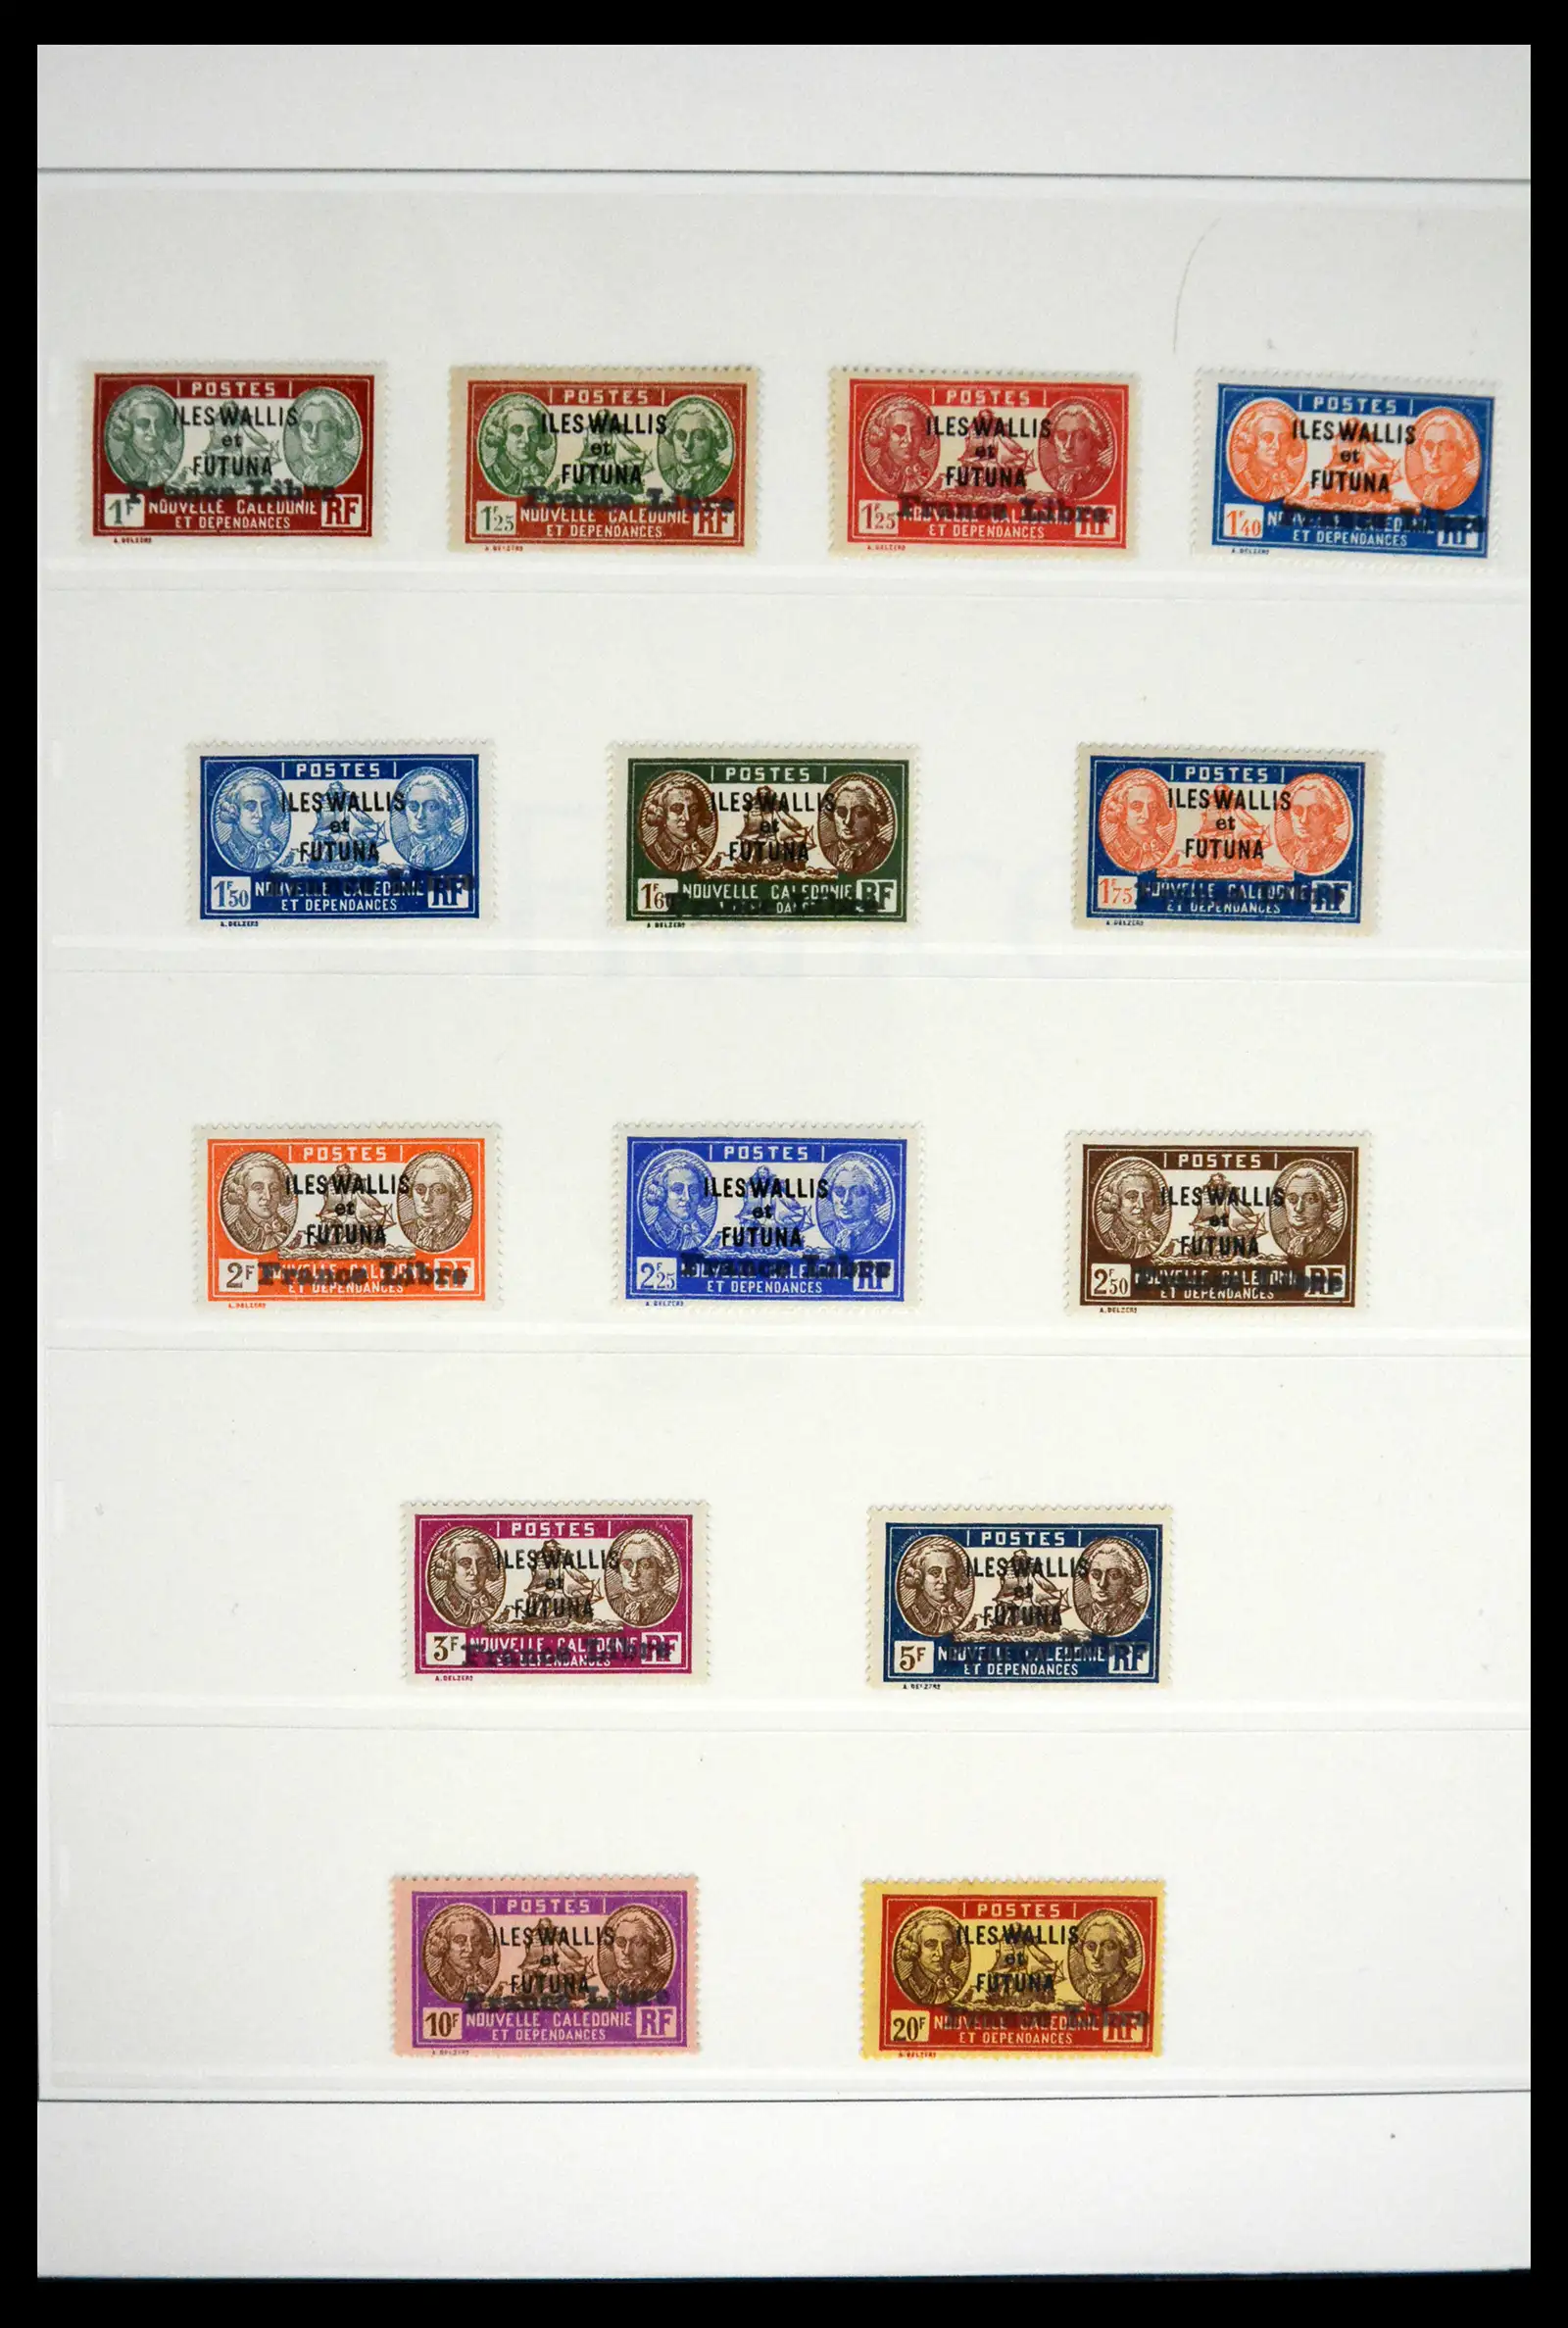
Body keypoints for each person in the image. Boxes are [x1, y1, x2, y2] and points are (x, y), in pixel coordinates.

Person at [1226, 397, 1307, 503]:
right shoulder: (1244, 480)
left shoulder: (1293, 481)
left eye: (1283, 439)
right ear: (1251, 442)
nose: (1277, 446)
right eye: (1267, 438)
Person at [1037, 398, 1116, 501]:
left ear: (1095, 441)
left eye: (1080, 437)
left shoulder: (1101, 478)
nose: (1068, 446)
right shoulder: (1049, 477)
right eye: (1062, 436)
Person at [103, 386, 183, 488]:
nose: (153, 433)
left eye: (159, 425)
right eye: (143, 424)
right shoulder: (120, 469)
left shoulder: (173, 468)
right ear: (127, 429)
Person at [859, 394, 939, 496]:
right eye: (899, 431)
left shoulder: (929, 474)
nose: (909, 440)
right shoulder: (876, 474)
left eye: (916, 432)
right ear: (884, 436)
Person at [1099, 770, 1175, 873]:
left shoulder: (1167, 852)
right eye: (1137, 806)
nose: (1147, 816)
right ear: (1122, 812)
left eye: (1153, 807)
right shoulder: (1112, 852)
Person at [426, 1528, 506, 1626]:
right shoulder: (443, 1608)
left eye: (481, 1564)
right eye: (465, 1564)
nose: (475, 1572)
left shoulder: (496, 1605)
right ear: (450, 1569)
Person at [1405, 407, 1481, 511]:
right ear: (1420, 448)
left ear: (1460, 452)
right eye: (1429, 446)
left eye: (1445, 447)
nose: (1435, 455)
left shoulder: (1464, 486)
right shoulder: (1425, 488)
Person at [657, 398, 734, 498]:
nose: (687, 445)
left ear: (713, 440)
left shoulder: (719, 478)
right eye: (681, 436)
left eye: (698, 437)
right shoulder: (666, 476)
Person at [213, 771, 289, 872]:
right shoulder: (227, 852)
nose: (260, 815)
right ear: (235, 812)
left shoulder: (282, 850)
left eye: (267, 806)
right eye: (250, 806)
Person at [639, 775, 717, 875]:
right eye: (677, 809)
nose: (687, 818)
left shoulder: (709, 853)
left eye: (693, 809)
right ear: (662, 814)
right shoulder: (653, 854)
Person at [478, 395, 556, 494]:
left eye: (533, 432)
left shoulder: (548, 475)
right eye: (517, 431)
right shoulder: (492, 476)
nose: (526, 439)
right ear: (501, 435)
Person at [1275, 775, 1351, 876]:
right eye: (1297, 811)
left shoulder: (1337, 852)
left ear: (1332, 816)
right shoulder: (1286, 850)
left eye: (1315, 811)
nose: (1304, 820)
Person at [817, 1154, 892, 1256]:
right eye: (839, 1192)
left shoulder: (880, 1234)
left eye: (858, 1192)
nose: (845, 1201)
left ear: (873, 1196)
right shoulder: (826, 1231)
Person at [897, 1537, 972, 1637]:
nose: (944, 1581)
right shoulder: (911, 1617)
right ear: (919, 1578)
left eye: (951, 1573)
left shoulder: (965, 1615)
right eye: (935, 1573)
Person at [423, 1906, 499, 2005]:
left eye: (476, 1941)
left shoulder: (489, 1982)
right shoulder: (436, 1984)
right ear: (444, 1945)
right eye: (460, 1941)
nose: (470, 1949)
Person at [818, 776, 893, 875]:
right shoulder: (826, 853)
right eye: (841, 813)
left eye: (859, 813)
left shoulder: (885, 855)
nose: (848, 821)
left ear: (874, 816)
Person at [640, 1155, 715, 1253]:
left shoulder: (706, 1231)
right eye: (678, 1190)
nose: (687, 1198)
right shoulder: (654, 1234)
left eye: (693, 1190)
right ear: (662, 1194)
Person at [894, 1909, 968, 2007]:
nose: (941, 1953)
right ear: (916, 1949)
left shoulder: (961, 1986)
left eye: (947, 1945)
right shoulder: (907, 1988)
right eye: (931, 1945)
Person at [1096, 1162, 1169, 1260]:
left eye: (1148, 1198)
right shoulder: (1107, 1242)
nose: (1141, 1205)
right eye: (1132, 1197)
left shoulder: (1162, 1239)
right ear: (1116, 1203)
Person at [286, 389, 360, 488]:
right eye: (307, 426)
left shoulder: (347, 468)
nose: (313, 436)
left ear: (339, 434)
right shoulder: (295, 468)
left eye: (325, 428)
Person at [393, 769, 465, 871]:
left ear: (446, 810)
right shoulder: (401, 847)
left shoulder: (454, 846)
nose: (420, 816)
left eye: (431, 807)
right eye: (413, 807)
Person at [221, 1154, 294, 1253]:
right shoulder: (234, 1234)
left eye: (274, 1189)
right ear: (243, 1194)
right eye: (258, 1188)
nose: (268, 1197)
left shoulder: (289, 1231)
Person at [1073, 1540, 1148, 1637]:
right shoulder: (1081, 1613)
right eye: (1096, 1575)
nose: (1102, 1584)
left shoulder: (1138, 1614)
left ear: (1128, 1579)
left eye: (1113, 1575)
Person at [400, 1154, 471, 1254]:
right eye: (420, 1190)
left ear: (452, 1195)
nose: (427, 1199)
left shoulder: (464, 1229)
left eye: (438, 1190)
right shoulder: (406, 1230)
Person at [599, 1906, 673, 2000]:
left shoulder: (660, 1982)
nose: (627, 1951)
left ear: (652, 1946)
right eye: (620, 1942)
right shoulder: (608, 1981)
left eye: (637, 1943)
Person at [609, 1530, 680, 1627]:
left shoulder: (668, 1605)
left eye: (645, 1565)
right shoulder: (614, 1604)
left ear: (660, 1569)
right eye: (627, 1565)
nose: (634, 1574)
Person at [1272, 1162, 1342, 1260]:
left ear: (1325, 1203)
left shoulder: (1334, 1240)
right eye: (1292, 1199)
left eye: (1310, 1199)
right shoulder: (1278, 1239)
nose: (1299, 1208)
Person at [1070, 1911, 1142, 2007]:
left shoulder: (1130, 1986)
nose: (1097, 1955)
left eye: (1109, 1947)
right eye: (1091, 1946)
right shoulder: (1079, 1985)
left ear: (1122, 1950)